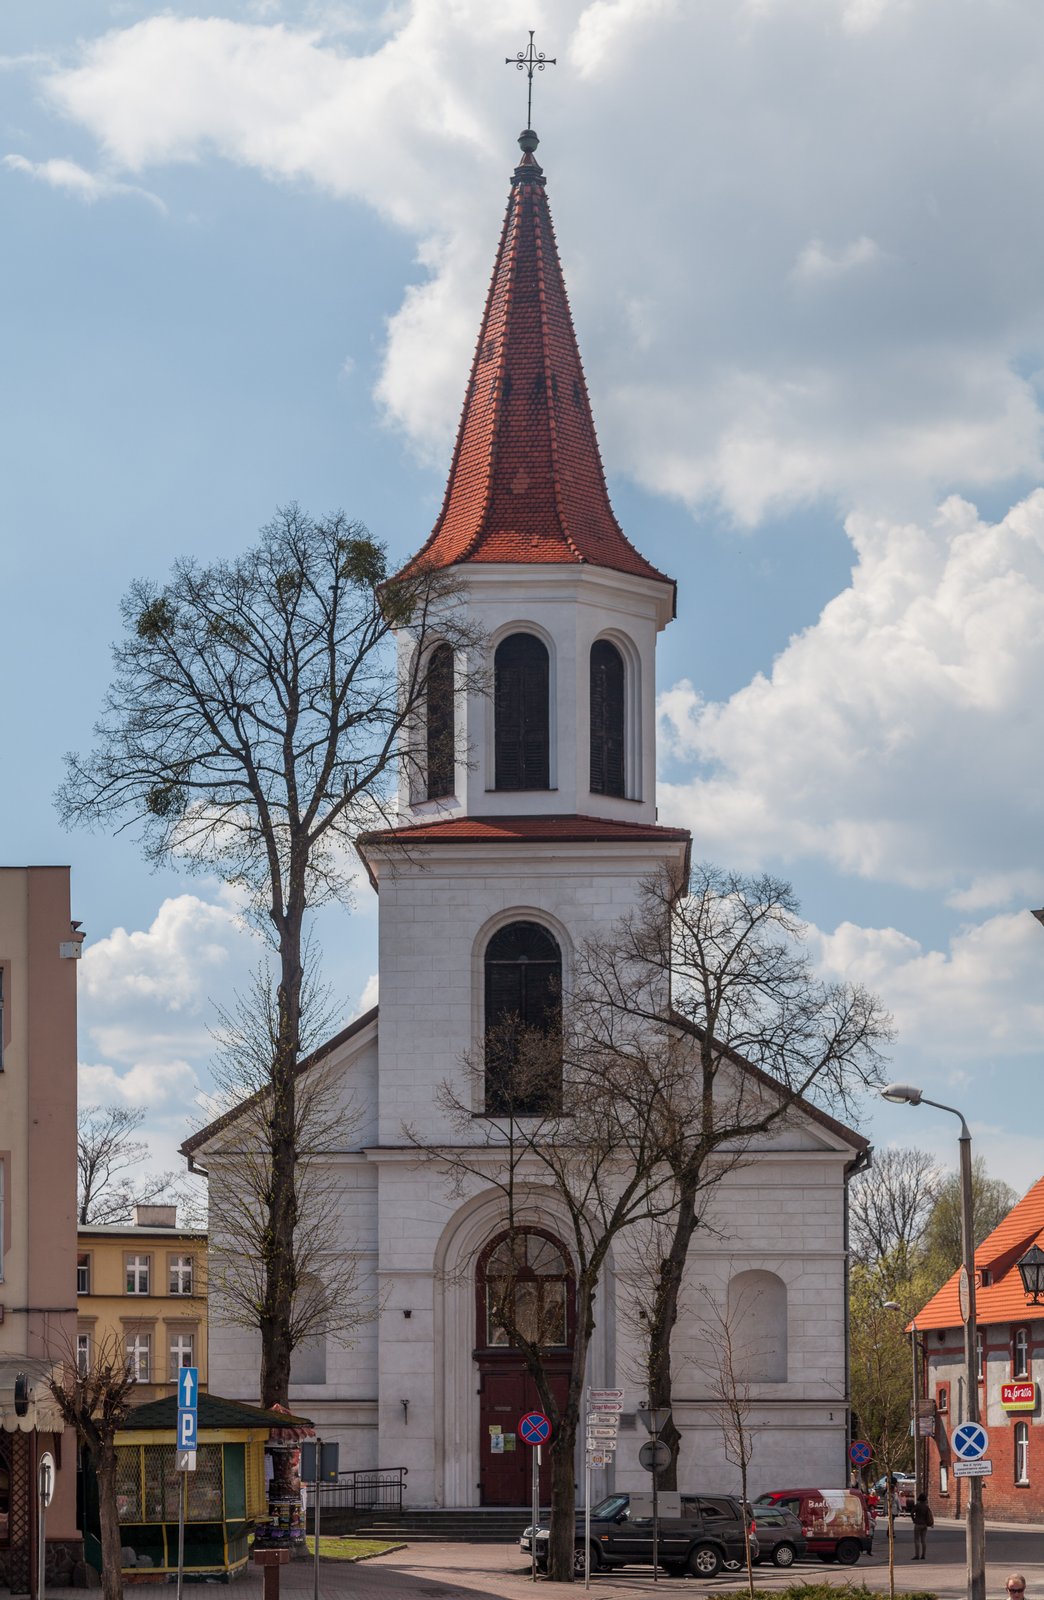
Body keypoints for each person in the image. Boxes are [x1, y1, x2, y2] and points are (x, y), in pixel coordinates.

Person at [911, 1493, 933, 1559]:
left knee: (917, 1540)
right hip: (924, 1524)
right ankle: (923, 1555)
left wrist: (913, 1519)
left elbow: (912, 1512)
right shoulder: (926, 1507)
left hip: (918, 1524)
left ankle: (917, 1555)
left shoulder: (917, 1505)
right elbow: (929, 1515)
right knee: (923, 1540)